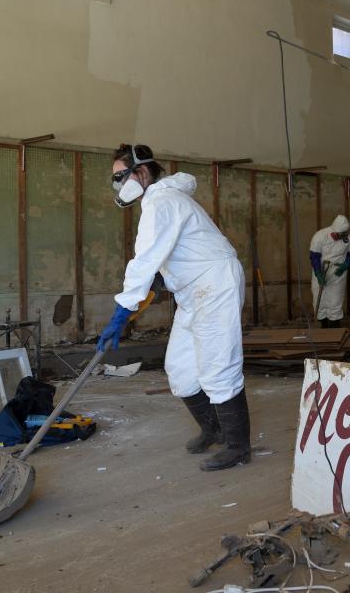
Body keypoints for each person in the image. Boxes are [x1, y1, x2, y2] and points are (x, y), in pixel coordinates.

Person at [97, 144, 250, 472]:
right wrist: (160, 283)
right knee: (180, 368)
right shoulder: (159, 202)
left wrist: (122, 312)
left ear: (141, 172)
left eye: (119, 176)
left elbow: (145, 260)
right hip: (193, 292)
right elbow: (170, 257)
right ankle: (214, 429)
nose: (117, 185)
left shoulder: (162, 202)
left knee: (217, 365)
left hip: (214, 285)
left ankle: (238, 446)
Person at [309, 215, 350, 328]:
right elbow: (314, 256)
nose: (342, 237)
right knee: (319, 299)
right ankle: (324, 329)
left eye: (344, 234)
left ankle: (335, 330)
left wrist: (345, 265)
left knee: (335, 300)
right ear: (334, 231)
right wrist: (318, 273)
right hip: (322, 269)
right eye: (340, 235)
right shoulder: (320, 236)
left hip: (338, 271)